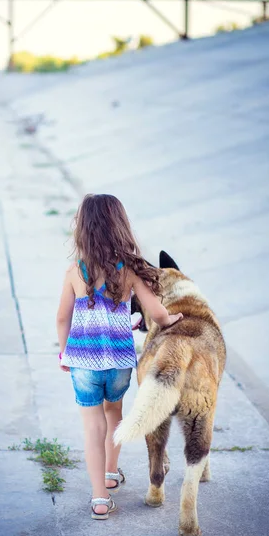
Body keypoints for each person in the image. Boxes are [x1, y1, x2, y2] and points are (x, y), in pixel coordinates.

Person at [56, 194, 183, 519]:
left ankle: (100, 498)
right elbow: (155, 313)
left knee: (92, 428)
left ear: (82, 229)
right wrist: (171, 320)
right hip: (119, 364)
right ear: (120, 227)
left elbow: (61, 319)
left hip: (83, 363)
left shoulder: (75, 272)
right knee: (115, 413)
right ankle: (112, 472)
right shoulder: (130, 272)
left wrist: (65, 352)